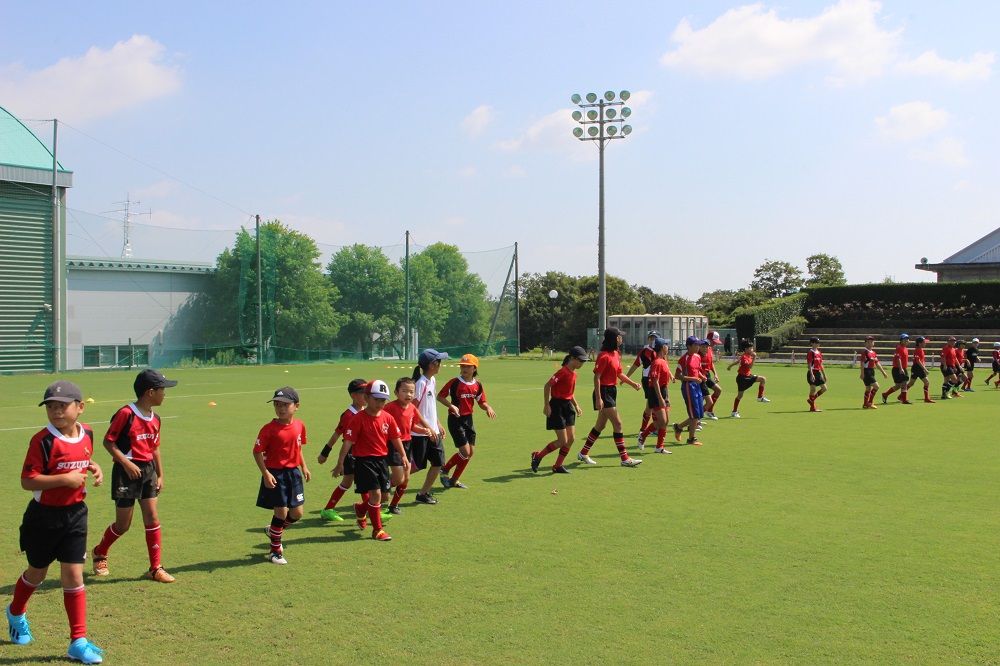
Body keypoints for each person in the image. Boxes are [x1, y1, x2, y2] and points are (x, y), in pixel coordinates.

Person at [7, 381, 105, 664]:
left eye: (62, 405)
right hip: (43, 518)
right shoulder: (42, 441)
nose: (56, 411)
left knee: (73, 575)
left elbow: (82, 457)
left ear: (80, 407)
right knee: (36, 574)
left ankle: (78, 641)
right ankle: (15, 612)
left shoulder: (88, 433)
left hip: (76, 515)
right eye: (51, 406)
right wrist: (65, 479)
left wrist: (93, 466)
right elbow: (28, 481)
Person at [92, 369, 178, 583]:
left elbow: (155, 448)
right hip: (126, 472)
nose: (165, 394)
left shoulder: (156, 419)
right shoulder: (126, 414)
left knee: (152, 517)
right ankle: (100, 551)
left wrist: (160, 475)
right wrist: (126, 463)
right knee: (123, 525)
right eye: (162, 389)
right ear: (150, 392)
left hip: (148, 471)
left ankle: (155, 568)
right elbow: (108, 442)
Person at [338, 380, 405, 541]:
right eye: (377, 399)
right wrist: (340, 462)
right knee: (375, 494)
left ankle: (361, 509)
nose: (380, 404)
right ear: (367, 398)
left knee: (383, 497)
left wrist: (403, 456)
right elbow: (348, 442)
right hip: (364, 461)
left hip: (382, 461)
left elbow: (395, 438)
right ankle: (377, 530)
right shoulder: (358, 418)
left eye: (383, 400)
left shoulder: (388, 418)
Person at [253, 387, 311, 564]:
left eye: (285, 404)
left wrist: (304, 467)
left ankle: (273, 531)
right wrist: (265, 473)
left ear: (296, 406)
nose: (281, 408)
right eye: (277, 404)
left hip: (293, 474)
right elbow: (257, 452)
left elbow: (298, 448)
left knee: (297, 513)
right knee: (281, 512)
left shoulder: (300, 426)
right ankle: (275, 551)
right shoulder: (268, 429)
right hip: (275, 474)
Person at [577, 328, 643, 467]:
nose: (621, 338)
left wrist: (633, 384)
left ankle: (583, 453)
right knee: (618, 424)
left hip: (612, 391)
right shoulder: (604, 356)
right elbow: (597, 377)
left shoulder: (616, 354)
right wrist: (598, 398)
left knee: (600, 425)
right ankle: (625, 458)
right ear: (614, 338)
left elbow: (619, 373)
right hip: (603, 392)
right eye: (619, 336)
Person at [438, 354, 497, 488]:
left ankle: (454, 480)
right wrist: (451, 406)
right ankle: (444, 469)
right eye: (462, 366)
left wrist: (488, 407)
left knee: (470, 453)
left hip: (468, 420)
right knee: (465, 452)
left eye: (467, 366)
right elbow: (440, 396)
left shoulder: (477, 385)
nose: (464, 368)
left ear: (474, 368)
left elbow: (481, 402)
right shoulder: (455, 382)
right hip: (455, 419)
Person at [532, 345, 588, 473]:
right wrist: (546, 405)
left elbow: (570, 393)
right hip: (556, 406)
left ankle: (557, 466)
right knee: (563, 440)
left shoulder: (574, 374)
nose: (582, 363)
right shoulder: (562, 372)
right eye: (581, 360)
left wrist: (576, 405)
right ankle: (538, 456)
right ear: (572, 358)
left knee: (571, 439)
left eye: (584, 361)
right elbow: (547, 386)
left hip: (568, 407)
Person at [317, 379, 367, 521]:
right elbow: (337, 434)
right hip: (351, 453)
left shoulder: (366, 412)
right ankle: (370, 509)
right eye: (363, 393)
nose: (366, 395)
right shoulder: (348, 415)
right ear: (353, 395)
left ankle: (329, 509)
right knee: (357, 482)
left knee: (353, 482)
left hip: (362, 453)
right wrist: (324, 453)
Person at [383, 377, 433, 514]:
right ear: (396, 392)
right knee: (399, 478)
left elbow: (412, 427)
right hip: (392, 445)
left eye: (411, 392)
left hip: (407, 444)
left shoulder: (412, 408)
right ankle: (381, 488)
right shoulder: (389, 408)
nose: (408, 394)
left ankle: (393, 505)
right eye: (404, 391)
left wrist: (423, 430)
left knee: (406, 478)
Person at [410, 349, 449, 505]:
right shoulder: (420, 384)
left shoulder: (431, 380)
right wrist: (425, 428)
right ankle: (387, 483)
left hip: (433, 432)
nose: (441, 364)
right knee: (416, 467)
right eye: (439, 362)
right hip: (421, 434)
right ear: (432, 365)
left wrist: (437, 424)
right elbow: (412, 410)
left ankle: (423, 494)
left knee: (438, 463)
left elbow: (430, 406)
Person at [638, 337, 673, 453]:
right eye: (666, 345)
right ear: (662, 347)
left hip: (663, 391)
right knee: (662, 420)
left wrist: (666, 397)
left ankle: (655, 444)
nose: (668, 347)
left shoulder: (663, 361)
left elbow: (664, 382)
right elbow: (654, 380)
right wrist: (660, 398)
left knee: (665, 421)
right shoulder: (657, 362)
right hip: (655, 393)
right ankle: (650, 441)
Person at [672, 336, 706, 445]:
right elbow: (677, 375)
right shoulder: (683, 359)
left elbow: (697, 370)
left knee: (698, 414)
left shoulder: (698, 357)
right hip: (688, 387)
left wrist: (702, 376)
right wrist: (693, 379)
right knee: (694, 414)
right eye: (696, 345)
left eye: (698, 344)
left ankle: (679, 427)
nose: (698, 347)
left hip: (697, 386)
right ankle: (691, 439)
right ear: (689, 346)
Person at [625, 331, 659, 438]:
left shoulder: (660, 351)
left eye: (655, 338)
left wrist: (670, 376)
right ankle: (647, 429)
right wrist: (626, 377)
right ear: (648, 339)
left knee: (652, 405)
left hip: (657, 380)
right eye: (651, 338)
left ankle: (647, 429)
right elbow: (635, 365)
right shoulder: (644, 352)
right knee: (652, 405)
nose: (653, 340)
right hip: (647, 380)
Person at [727, 339, 769, 418]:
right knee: (740, 396)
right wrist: (754, 357)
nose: (752, 349)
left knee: (763, 379)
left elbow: (737, 362)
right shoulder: (744, 357)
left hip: (747, 376)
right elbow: (750, 366)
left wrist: (730, 366)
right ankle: (734, 412)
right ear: (746, 349)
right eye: (751, 348)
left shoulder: (746, 355)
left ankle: (760, 397)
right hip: (742, 378)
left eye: (752, 348)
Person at [858, 336, 889, 409]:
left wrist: (883, 372)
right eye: (868, 342)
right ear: (865, 343)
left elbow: (877, 363)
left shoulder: (874, 353)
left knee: (868, 388)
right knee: (876, 386)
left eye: (872, 341)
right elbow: (862, 363)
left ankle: (865, 404)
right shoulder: (865, 352)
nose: (870, 343)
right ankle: (870, 403)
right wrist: (862, 373)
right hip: (867, 371)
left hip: (871, 371)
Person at [881, 334, 913, 405]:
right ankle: (904, 400)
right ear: (901, 340)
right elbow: (898, 358)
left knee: (898, 385)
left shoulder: (905, 348)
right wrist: (901, 368)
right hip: (898, 369)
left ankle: (885, 394)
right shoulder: (899, 348)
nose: (907, 340)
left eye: (907, 339)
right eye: (905, 339)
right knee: (904, 383)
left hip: (903, 368)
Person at [700, 334, 723, 420]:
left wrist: (715, 374)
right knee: (702, 398)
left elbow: (711, 363)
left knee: (718, 390)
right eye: (713, 342)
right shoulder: (699, 351)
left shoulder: (709, 349)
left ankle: (709, 411)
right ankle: (697, 418)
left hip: (707, 375)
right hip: (700, 377)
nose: (714, 344)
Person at [906, 336, 935, 403]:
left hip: (916, 368)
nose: (925, 343)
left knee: (911, 383)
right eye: (924, 342)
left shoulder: (920, 349)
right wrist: (925, 369)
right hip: (918, 368)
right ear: (919, 343)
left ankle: (902, 395)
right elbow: (918, 361)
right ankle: (926, 398)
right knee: (926, 382)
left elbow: (920, 360)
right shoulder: (918, 350)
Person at [806, 337, 827, 412]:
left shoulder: (819, 353)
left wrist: (824, 375)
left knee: (824, 388)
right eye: (816, 342)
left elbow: (821, 364)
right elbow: (809, 365)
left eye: (818, 342)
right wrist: (812, 374)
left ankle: (811, 400)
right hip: (812, 372)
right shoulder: (810, 352)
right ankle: (813, 408)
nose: (818, 344)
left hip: (818, 372)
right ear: (812, 343)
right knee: (813, 389)